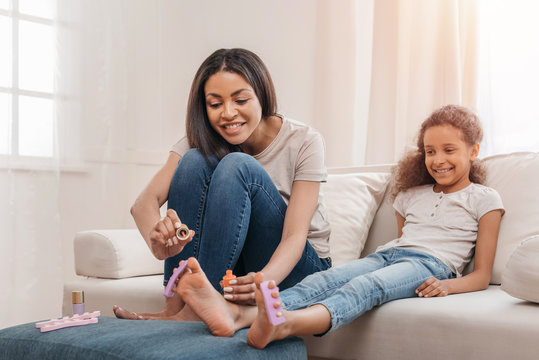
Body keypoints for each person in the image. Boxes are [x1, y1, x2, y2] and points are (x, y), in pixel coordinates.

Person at [170, 104, 505, 348]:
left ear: (474, 150)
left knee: (367, 287)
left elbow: (481, 275)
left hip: (431, 265)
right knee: (325, 278)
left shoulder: (485, 198)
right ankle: (239, 316)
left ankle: (285, 325)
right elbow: (401, 243)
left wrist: (447, 286)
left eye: (449, 150)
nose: (438, 160)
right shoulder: (409, 196)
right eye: (430, 151)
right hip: (389, 255)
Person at [113, 48, 332, 320]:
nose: (228, 114)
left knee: (237, 165)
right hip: (237, 271)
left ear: (261, 95)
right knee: (193, 160)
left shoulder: (305, 141)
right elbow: (142, 204)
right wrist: (158, 242)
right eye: (215, 104)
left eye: (240, 100)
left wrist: (264, 280)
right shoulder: (204, 139)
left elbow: (295, 237)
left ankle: (194, 312)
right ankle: (177, 304)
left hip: (297, 270)